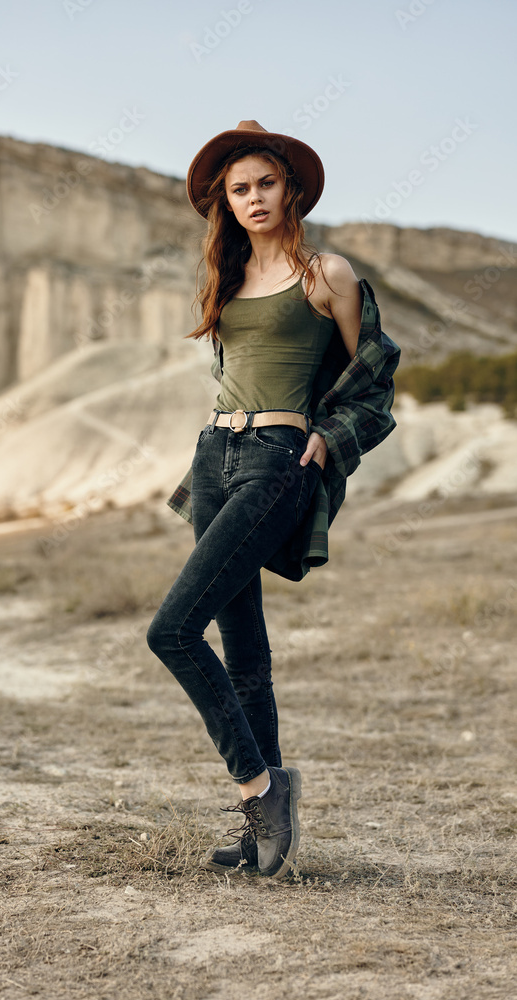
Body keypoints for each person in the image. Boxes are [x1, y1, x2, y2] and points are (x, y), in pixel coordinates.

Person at [146, 120, 400, 879]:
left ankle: (260, 787)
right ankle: (267, 840)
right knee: (243, 649)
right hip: (213, 457)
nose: (254, 197)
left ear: (290, 190)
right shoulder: (224, 280)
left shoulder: (327, 274)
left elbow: (373, 379)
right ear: (225, 201)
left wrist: (330, 436)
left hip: (277, 460)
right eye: (239, 188)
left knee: (171, 631)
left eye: (265, 183)